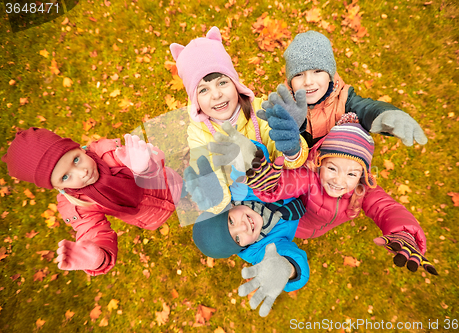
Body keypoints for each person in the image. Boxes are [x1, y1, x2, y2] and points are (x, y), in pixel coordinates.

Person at [241, 116, 438, 275]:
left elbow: (386, 207)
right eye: (332, 168)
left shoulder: (362, 190)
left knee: (314, 232)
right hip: (295, 224)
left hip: (318, 229)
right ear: (320, 163)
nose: (339, 181)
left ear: (362, 175)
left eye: (351, 174)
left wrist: (404, 232)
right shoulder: (310, 177)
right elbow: (288, 182)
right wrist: (270, 183)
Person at [2, 128, 183, 276]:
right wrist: (98, 257)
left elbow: (152, 157)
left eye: (76, 159)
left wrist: (145, 165)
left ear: (79, 148)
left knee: (187, 190)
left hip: (167, 182)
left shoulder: (108, 153)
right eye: (65, 176)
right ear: (56, 186)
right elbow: (94, 231)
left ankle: (189, 192)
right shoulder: (76, 205)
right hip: (151, 216)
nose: (82, 173)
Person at [169, 26, 309, 214]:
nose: (217, 94)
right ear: (195, 100)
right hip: (244, 208)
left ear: (235, 84)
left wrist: (292, 149)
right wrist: (213, 195)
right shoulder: (198, 135)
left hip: (280, 193)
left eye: (222, 82)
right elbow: (217, 194)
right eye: (203, 90)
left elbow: (290, 162)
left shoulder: (260, 110)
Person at [187, 153, 309, 317]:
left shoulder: (241, 192)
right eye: (237, 238)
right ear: (242, 247)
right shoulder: (260, 250)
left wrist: (248, 160)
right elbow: (291, 261)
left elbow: (251, 153)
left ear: (229, 207)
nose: (243, 227)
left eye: (231, 221)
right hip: (307, 205)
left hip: (292, 165)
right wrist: (287, 269)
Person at [262, 30, 428, 148]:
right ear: (290, 82)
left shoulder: (343, 100)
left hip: (334, 172)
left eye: (317, 71)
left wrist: (384, 114)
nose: (308, 81)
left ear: (330, 75)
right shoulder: (284, 104)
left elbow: (366, 109)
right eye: (299, 75)